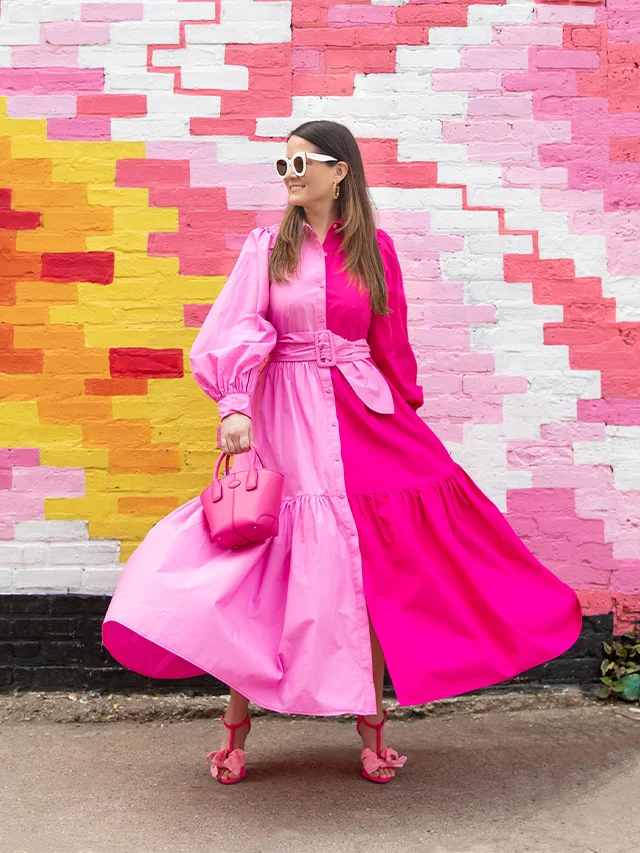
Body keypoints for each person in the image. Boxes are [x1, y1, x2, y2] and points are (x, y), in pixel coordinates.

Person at [102, 120, 583, 785]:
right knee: (264, 562)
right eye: (284, 164)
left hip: (366, 418)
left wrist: (406, 415)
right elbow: (236, 326)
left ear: (341, 170)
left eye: (304, 163)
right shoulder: (268, 247)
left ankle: (374, 732)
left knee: (378, 563)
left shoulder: (375, 250)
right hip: (287, 415)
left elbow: (391, 344)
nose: (291, 174)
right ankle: (235, 733)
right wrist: (235, 404)